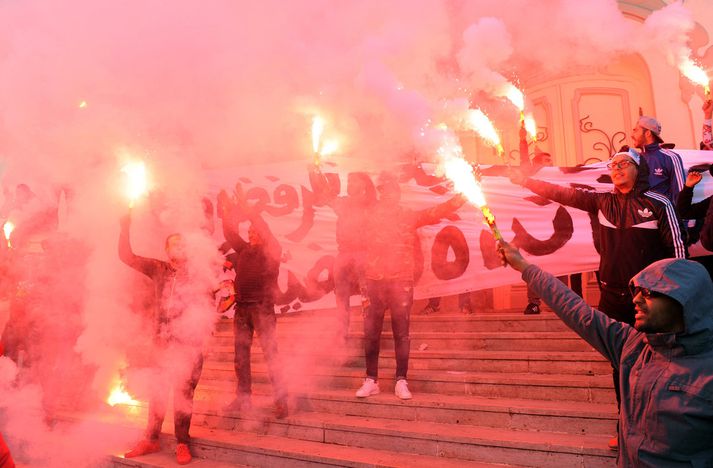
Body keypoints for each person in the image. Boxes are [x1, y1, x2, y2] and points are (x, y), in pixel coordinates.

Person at [509, 148, 685, 449]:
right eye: (612, 165)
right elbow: (563, 193)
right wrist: (526, 181)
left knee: (659, 364)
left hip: (651, 302)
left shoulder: (659, 203)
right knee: (621, 365)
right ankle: (626, 423)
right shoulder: (601, 201)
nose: (616, 169)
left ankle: (662, 424)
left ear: (637, 168)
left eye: (622, 164)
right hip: (613, 300)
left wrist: (675, 296)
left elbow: (677, 252)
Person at [499, 241, 713, 466]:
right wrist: (523, 266)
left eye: (649, 293)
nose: (636, 300)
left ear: (684, 301)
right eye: (637, 291)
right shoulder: (633, 347)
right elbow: (576, 310)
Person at [356, 171, 466, 400]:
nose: (387, 194)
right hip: (374, 281)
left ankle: (401, 380)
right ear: (379, 193)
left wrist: (465, 193)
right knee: (370, 333)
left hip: (400, 281)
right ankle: (371, 379)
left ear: (397, 193)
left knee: (402, 333)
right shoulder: (367, 216)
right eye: (383, 190)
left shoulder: (407, 215)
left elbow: (439, 210)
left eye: (391, 190)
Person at [119, 213, 204, 465]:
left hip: (189, 343)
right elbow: (127, 257)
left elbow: (209, 306)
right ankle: (151, 437)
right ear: (167, 251)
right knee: (158, 390)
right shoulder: (158, 268)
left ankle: (182, 442)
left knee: (183, 392)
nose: (180, 246)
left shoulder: (199, 274)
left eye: (183, 243)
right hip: (162, 342)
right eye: (174, 243)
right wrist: (124, 225)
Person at [219, 185, 288, 419]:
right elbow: (229, 234)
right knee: (240, 356)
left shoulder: (273, 249)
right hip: (242, 309)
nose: (251, 235)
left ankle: (281, 400)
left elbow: (264, 228)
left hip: (262, 309)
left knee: (271, 354)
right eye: (249, 233)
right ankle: (243, 397)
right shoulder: (244, 251)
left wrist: (249, 211)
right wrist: (226, 214)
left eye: (254, 232)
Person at [309, 167, 376, 344]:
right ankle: (341, 332)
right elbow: (324, 194)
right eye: (348, 181)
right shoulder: (344, 203)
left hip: (364, 253)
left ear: (363, 184)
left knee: (366, 293)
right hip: (344, 253)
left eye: (353, 181)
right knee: (341, 294)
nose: (349, 184)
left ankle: (370, 329)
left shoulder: (371, 204)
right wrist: (314, 173)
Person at [630, 115, 685, 203]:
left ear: (647, 133)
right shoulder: (634, 159)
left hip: (663, 215)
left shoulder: (670, 157)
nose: (631, 135)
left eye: (636, 130)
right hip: (639, 215)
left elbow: (680, 195)